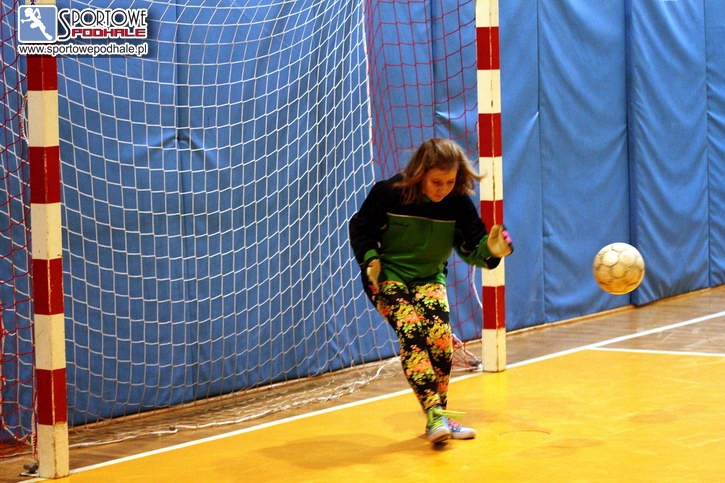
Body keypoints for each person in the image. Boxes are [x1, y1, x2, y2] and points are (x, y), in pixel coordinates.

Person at [349, 138, 513, 444]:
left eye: (450, 182)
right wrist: (370, 258)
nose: (443, 189)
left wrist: (492, 250)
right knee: (411, 331)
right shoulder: (388, 193)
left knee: (439, 339)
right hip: (387, 277)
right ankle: (435, 414)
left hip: (429, 278)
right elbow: (360, 227)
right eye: (437, 182)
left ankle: (439, 416)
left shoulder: (457, 202)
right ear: (420, 173)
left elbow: (473, 248)